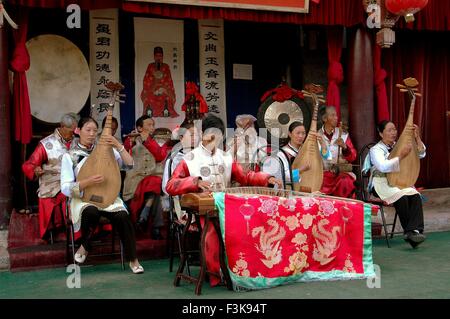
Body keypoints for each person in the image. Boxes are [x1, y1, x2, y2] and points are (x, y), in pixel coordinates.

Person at [166, 114, 282, 286]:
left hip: (225, 207)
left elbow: (246, 176)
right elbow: (171, 185)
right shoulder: (190, 159)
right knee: (212, 231)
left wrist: (267, 178)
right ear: (203, 134)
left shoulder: (226, 157)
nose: (215, 141)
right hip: (201, 210)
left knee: (249, 225)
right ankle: (216, 273)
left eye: (219, 137)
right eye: (212, 136)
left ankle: (243, 270)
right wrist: (195, 182)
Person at [60, 117, 144, 273]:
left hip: (109, 196)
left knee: (123, 216)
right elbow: (65, 188)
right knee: (91, 212)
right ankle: (86, 244)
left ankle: (133, 259)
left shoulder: (106, 150)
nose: (92, 134)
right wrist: (87, 182)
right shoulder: (69, 156)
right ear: (78, 131)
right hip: (83, 198)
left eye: (94, 131)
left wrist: (118, 145)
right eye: (88, 130)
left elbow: (130, 164)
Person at [366, 120, 427, 248]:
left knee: (415, 195)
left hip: (398, 181)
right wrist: (400, 156)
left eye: (394, 129)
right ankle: (410, 232)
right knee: (402, 197)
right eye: (389, 130)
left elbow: (421, 154)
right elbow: (382, 167)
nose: (393, 132)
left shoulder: (400, 145)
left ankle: (415, 231)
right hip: (381, 184)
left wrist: (417, 137)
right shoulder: (375, 149)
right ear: (381, 133)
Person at [22, 113, 78, 241]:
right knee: (64, 197)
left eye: (75, 130)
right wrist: (35, 170)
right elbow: (29, 164)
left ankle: (82, 231)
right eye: (71, 131)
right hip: (53, 183)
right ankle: (62, 231)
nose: (73, 134)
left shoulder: (77, 141)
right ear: (62, 127)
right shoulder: (46, 144)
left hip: (75, 181)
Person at [122, 115, 171, 239]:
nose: (152, 128)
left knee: (155, 182)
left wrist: (147, 141)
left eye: (153, 125)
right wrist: (131, 142)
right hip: (135, 179)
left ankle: (144, 215)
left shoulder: (157, 140)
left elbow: (160, 156)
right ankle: (155, 227)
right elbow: (123, 156)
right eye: (149, 125)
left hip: (152, 176)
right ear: (139, 128)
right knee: (155, 196)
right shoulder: (130, 139)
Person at [262, 121, 330, 189]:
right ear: (290, 134)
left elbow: (328, 157)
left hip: (310, 186)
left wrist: (322, 142)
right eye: (298, 133)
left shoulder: (307, 149)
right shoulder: (283, 153)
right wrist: (301, 169)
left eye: (303, 133)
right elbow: (285, 176)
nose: (301, 136)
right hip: (290, 190)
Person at [318, 106, 357, 198]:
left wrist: (344, 147)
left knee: (345, 181)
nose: (336, 118)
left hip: (340, 173)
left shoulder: (343, 135)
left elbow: (353, 156)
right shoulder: (317, 136)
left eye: (336, 115)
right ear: (324, 118)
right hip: (323, 173)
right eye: (333, 115)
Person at [140, 46, 178, 118]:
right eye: (157, 56)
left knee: (168, 97)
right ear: (154, 57)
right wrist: (154, 83)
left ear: (162, 57)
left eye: (160, 56)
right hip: (152, 88)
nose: (158, 58)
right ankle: (149, 112)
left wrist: (163, 88)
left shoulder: (166, 66)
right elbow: (146, 80)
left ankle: (165, 112)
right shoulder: (150, 66)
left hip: (164, 88)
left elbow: (169, 80)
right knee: (149, 96)